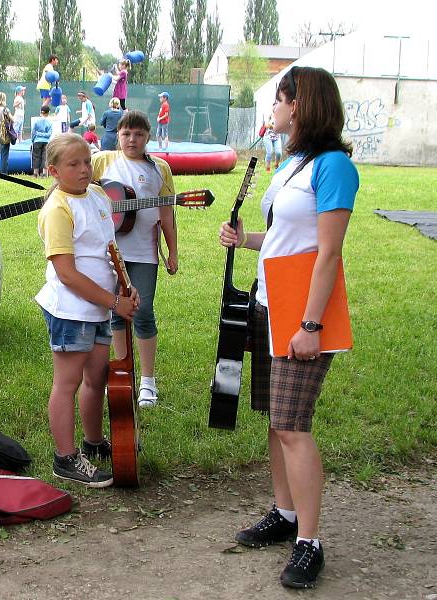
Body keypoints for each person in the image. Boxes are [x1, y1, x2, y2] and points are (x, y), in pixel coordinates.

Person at [218, 66, 359, 589]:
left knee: (295, 427)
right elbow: (284, 239)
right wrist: (246, 239)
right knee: (277, 421)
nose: (272, 110)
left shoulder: (334, 166)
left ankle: (310, 542)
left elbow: (327, 252)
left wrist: (311, 324)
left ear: (298, 105)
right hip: (268, 303)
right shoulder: (291, 164)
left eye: (278, 100)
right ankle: (286, 513)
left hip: (303, 315)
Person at [35, 133, 139, 488]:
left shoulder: (96, 194)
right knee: (68, 382)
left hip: (100, 306)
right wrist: (113, 302)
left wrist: (125, 286)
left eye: (87, 161)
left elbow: (108, 249)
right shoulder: (58, 209)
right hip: (72, 310)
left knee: (97, 378)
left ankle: (93, 444)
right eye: (73, 164)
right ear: (53, 171)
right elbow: (66, 273)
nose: (83, 170)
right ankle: (65, 459)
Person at [92, 110, 178, 408]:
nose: (132, 139)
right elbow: (82, 193)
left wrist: (173, 252)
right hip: (106, 251)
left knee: (143, 311)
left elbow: (167, 214)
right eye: (126, 133)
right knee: (115, 310)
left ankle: (148, 383)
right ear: (118, 135)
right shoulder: (101, 161)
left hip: (143, 253)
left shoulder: (159, 169)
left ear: (148, 137)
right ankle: (120, 371)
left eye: (139, 134)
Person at [31, 105, 53, 177]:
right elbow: (49, 134)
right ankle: (44, 173)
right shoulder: (49, 123)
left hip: (37, 141)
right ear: (48, 113)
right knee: (45, 157)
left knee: (36, 156)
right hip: (46, 142)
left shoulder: (37, 122)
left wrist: (34, 139)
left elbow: (33, 132)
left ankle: (35, 173)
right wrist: (44, 135)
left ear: (40, 112)